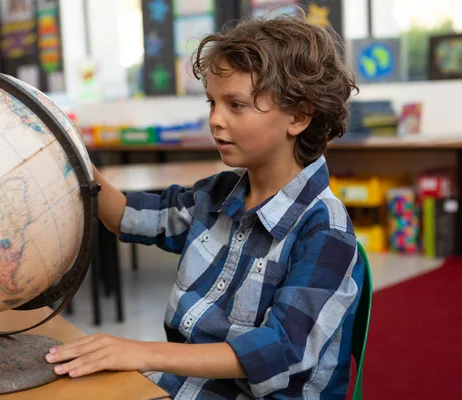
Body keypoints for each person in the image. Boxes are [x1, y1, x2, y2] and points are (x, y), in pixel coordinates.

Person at [46, 10, 364, 399]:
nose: (215, 119)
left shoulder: (325, 230)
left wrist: (143, 353)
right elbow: (126, 216)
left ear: (297, 116)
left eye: (236, 105)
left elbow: (279, 350)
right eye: (212, 102)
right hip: (186, 387)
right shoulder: (215, 196)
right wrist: (71, 152)